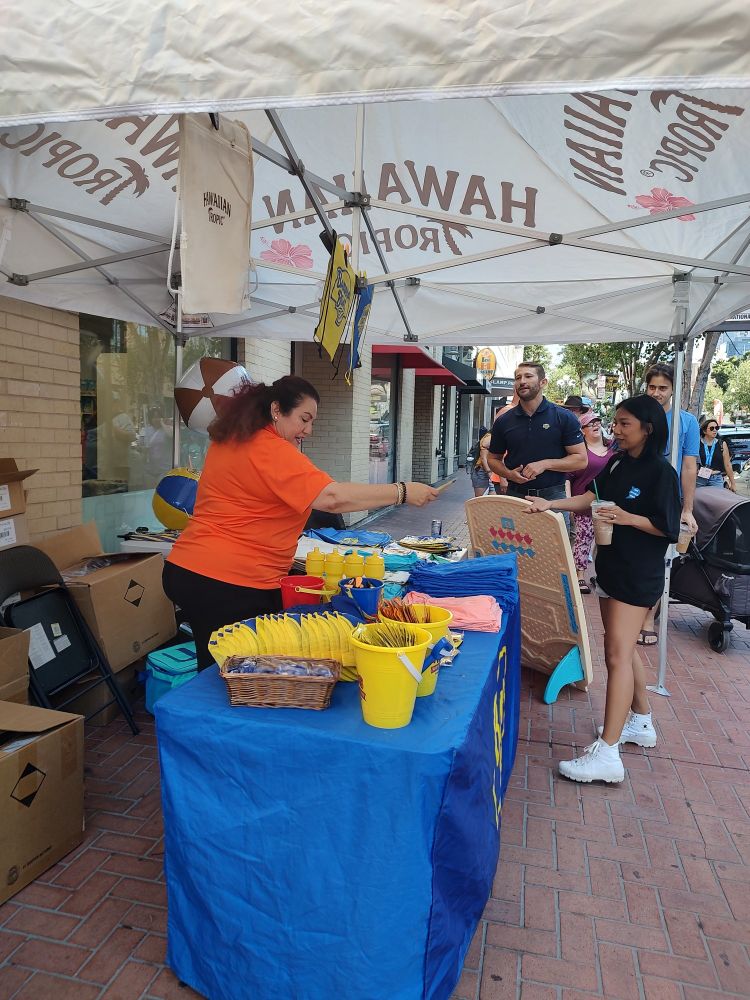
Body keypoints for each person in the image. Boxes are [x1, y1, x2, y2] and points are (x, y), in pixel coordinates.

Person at [163, 376, 438, 669]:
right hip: (229, 581)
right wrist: (402, 491)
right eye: (304, 419)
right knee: (239, 676)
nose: (308, 430)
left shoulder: (231, 440)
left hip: (190, 569)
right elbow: (331, 498)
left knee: (216, 670)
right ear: (276, 410)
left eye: (312, 422)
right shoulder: (268, 448)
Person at [528, 395, 681, 783]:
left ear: (648, 427)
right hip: (610, 568)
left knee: (615, 655)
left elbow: (669, 528)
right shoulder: (616, 461)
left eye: (625, 423)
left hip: (637, 574)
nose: (616, 428)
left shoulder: (661, 472)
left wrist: (629, 517)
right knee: (623, 650)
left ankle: (608, 755)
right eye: (616, 421)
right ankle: (641, 722)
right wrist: (552, 506)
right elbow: (591, 499)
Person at [638, 362, 700, 645]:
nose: (657, 393)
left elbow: (689, 467)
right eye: (652, 387)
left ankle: (649, 617)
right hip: (637, 497)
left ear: (673, 389)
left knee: (662, 561)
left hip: (668, 500)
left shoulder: (687, 422)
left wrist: (687, 509)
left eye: (663, 388)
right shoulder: (637, 416)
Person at [486, 363, 587, 520]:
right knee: (514, 544)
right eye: (518, 377)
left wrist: (545, 464)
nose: (522, 381)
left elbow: (581, 460)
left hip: (553, 497)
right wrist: (508, 474)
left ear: (543, 382)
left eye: (528, 376)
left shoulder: (564, 417)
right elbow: (492, 459)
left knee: (554, 545)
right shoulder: (504, 420)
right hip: (516, 496)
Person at [568, 411, 615, 593]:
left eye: (597, 421)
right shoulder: (580, 452)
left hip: (609, 504)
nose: (595, 425)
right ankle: (580, 576)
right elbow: (568, 477)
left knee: (607, 541)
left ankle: (603, 575)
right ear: (583, 431)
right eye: (590, 423)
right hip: (584, 504)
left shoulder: (613, 447)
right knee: (583, 539)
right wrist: (571, 502)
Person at [697, 416, 736, 491]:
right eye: (712, 428)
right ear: (704, 431)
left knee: (717, 501)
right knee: (700, 501)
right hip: (699, 478)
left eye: (716, 428)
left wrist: (733, 483)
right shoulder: (697, 443)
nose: (715, 430)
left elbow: (727, 464)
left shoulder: (721, 444)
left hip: (716, 479)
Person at [468, 426, 492, 496]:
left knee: (492, 500)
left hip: (488, 471)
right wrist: (489, 473)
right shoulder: (489, 437)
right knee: (480, 501)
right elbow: (483, 458)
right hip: (481, 471)